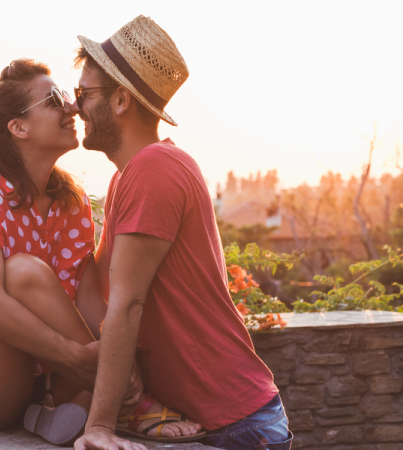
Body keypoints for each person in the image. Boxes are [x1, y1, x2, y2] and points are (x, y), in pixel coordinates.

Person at [0, 58, 202, 446]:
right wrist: (77, 359)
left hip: (37, 380)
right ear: (18, 127)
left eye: (69, 97)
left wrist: (124, 362)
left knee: (44, 287)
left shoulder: (68, 202)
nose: (71, 107)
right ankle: (118, 402)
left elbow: (88, 298)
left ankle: (62, 407)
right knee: (24, 273)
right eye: (54, 99)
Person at [70, 16, 293, 450]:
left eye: (84, 93)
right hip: (214, 421)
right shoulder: (128, 177)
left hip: (236, 427)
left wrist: (99, 427)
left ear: (119, 100)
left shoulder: (155, 170)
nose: (76, 105)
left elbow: (127, 302)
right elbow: (95, 289)